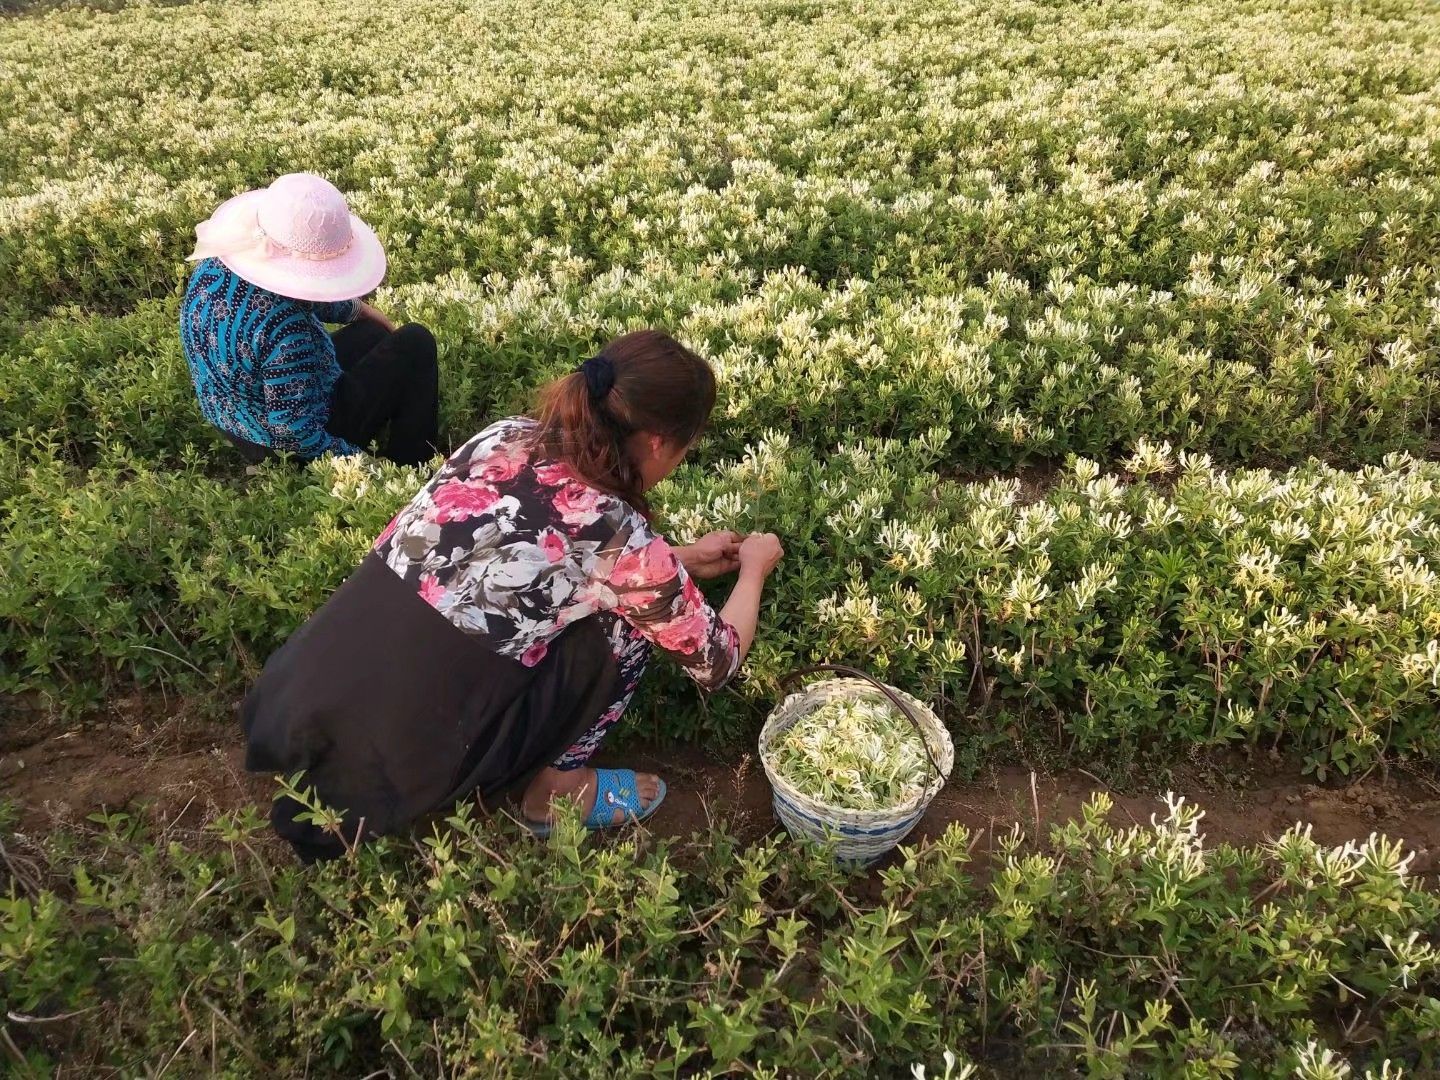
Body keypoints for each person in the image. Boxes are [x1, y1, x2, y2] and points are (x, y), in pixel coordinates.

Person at [241, 329, 784, 861]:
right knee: (625, 630)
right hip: (406, 760)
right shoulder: (620, 537)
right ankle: (554, 793)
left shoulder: (505, 437)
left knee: (623, 600)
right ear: (660, 442)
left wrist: (679, 559)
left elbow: (524, 559)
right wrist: (753, 570)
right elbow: (719, 659)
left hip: (306, 695)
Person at [179, 172, 440, 467]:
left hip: (230, 413)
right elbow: (295, 435)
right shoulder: (288, 332)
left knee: (374, 332)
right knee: (416, 343)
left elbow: (297, 290)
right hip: (279, 445)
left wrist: (362, 311)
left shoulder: (216, 263)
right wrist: (366, 465)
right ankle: (414, 462)